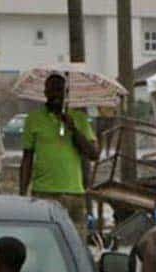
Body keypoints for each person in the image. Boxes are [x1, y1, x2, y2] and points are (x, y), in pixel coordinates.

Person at [19, 73, 99, 239]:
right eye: (52, 90)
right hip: (43, 194)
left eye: (59, 90)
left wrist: (73, 129)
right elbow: (27, 158)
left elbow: (93, 154)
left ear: (66, 93)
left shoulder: (79, 118)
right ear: (45, 92)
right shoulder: (33, 119)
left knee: (76, 244)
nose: (55, 94)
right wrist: (22, 193)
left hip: (74, 195)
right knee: (43, 242)